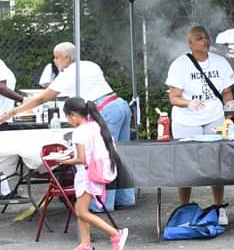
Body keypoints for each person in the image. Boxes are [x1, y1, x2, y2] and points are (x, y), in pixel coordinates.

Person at [0, 42, 135, 211]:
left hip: (104, 110)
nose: (54, 61)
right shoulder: (90, 65)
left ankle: (102, 204)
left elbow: (43, 98)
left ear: (67, 58)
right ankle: (125, 198)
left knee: (102, 156)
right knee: (119, 154)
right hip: (119, 105)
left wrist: (14, 111)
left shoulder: (70, 74)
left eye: (56, 57)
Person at [166, 27, 234, 225]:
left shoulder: (220, 62)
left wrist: (230, 102)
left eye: (206, 37)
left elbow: (226, 92)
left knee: (216, 162)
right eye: (199, 38)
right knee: (186, 163)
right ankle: (184, 208)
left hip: (214, 116)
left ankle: (219, 207)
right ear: (190, 43)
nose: (204, 41)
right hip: (187, 119)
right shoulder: (180, 65)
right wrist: (189, 103)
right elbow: (174, 97)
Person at [56, 97, 129, 250]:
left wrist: (63, 160)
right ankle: (85, 245)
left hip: (86, 175)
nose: (68, 121)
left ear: (73, 115)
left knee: (80, 211)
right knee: (82, 211)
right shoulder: (95, 126)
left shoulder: (79, 132)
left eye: (67, 117)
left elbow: (81, 159)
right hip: (97, 172)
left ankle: (115, 233)